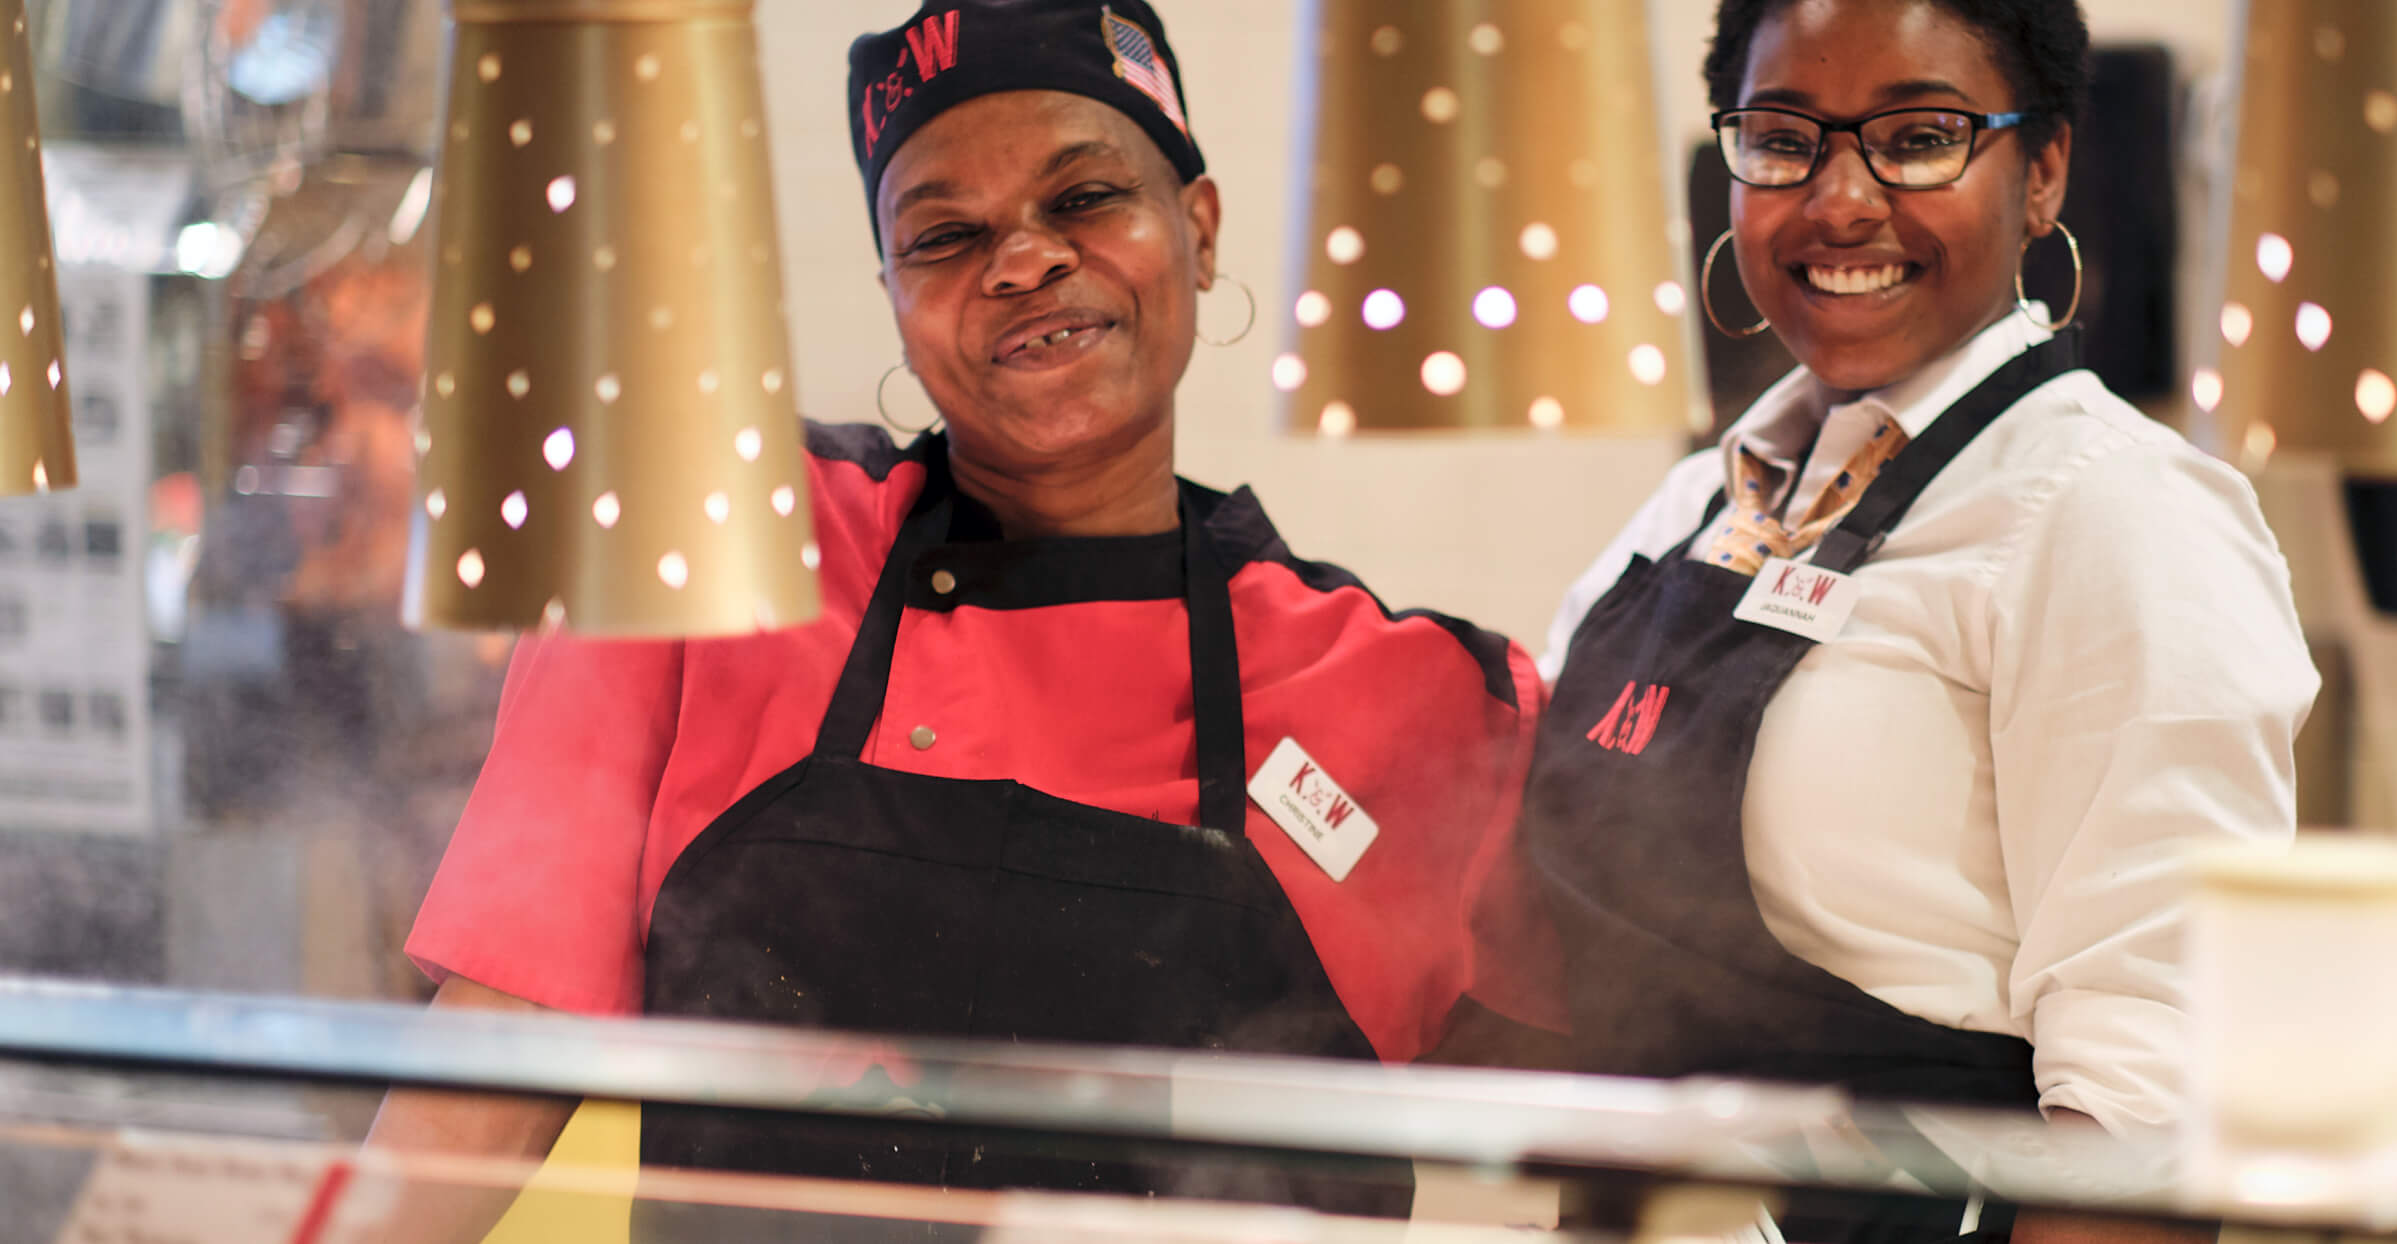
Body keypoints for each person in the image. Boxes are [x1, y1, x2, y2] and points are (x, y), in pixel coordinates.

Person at [365, 1, 1557, 1236]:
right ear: (891, 290)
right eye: (945, 233)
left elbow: (1624, 1147)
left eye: (1085, 198)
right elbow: (499, 1050)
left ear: (1196, 230)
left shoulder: (1427, 701)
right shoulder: (720, 547)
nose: (1023, 259)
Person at [1523, 0, 2316, 1235]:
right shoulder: (1693, 503)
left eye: (1920, 135)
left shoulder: (2113, 512)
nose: (1841, 200)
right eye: (1785, 138)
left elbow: (2155, 1098)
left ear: (2042, 171)